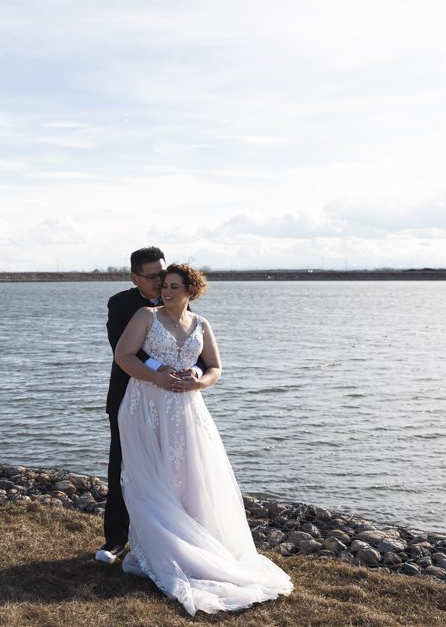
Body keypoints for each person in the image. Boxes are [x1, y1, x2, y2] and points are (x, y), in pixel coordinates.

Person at [113, 264, 293, 615]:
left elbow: (214, 368)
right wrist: (157, 377)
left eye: (174, 287)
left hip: (186, 407)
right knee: (150, 476)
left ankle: (194, 543)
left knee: (189, 474)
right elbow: (123, 356)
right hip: (145, 405)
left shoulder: (201, 324)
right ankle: (159, 546)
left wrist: (199, 382)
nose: (167, 291)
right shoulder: (146, 316)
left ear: (190, 291)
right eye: (164, 286)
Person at [95, 246, 169, 564]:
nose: (160, 282)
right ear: (134, 277)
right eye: (152, 276)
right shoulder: (120, 304)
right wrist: (160, 368)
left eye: (162, 274)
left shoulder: (176, 299)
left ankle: (164, 537)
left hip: (169, 400)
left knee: (169, 466)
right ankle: (115, 539)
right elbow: (122, 350)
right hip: (127, 396)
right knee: (122, 467)